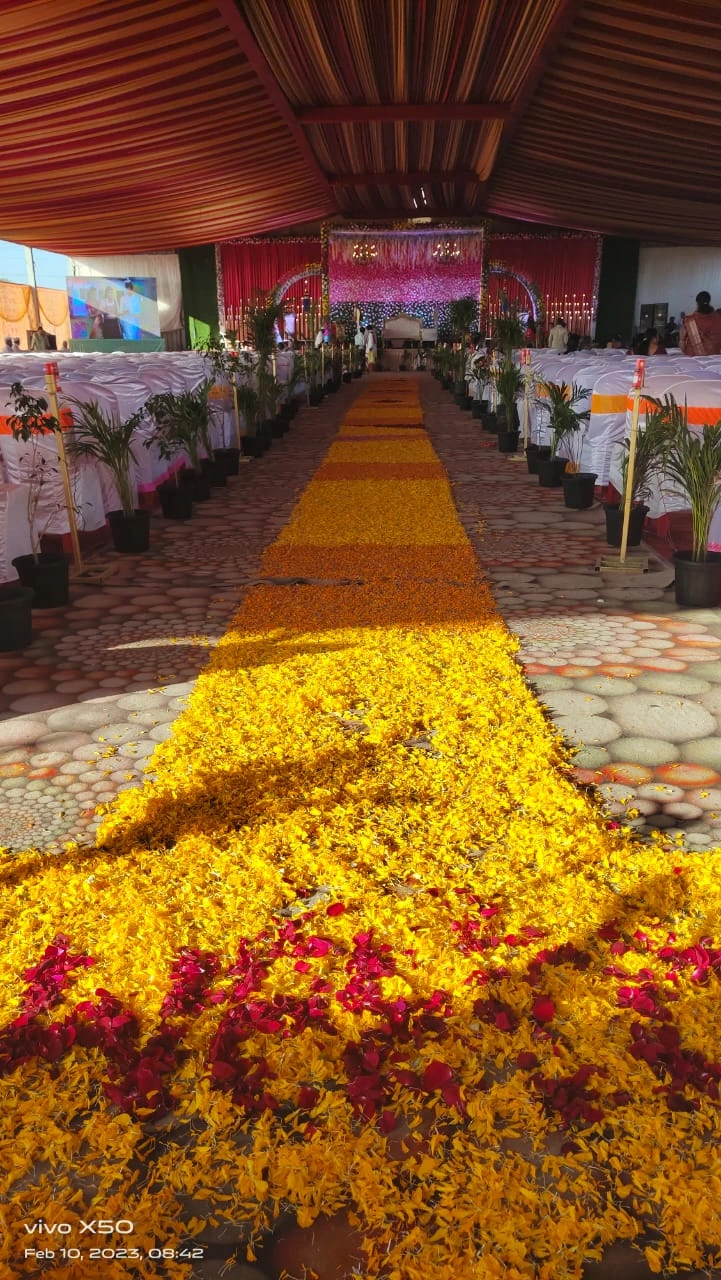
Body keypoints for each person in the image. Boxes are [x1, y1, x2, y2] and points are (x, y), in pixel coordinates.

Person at [679, 291, 721, 356]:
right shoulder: (718, 319)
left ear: (697, 303)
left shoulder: (689, 320)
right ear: (709, 301)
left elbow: (682, 343)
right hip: (713, 358)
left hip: (693, 357)